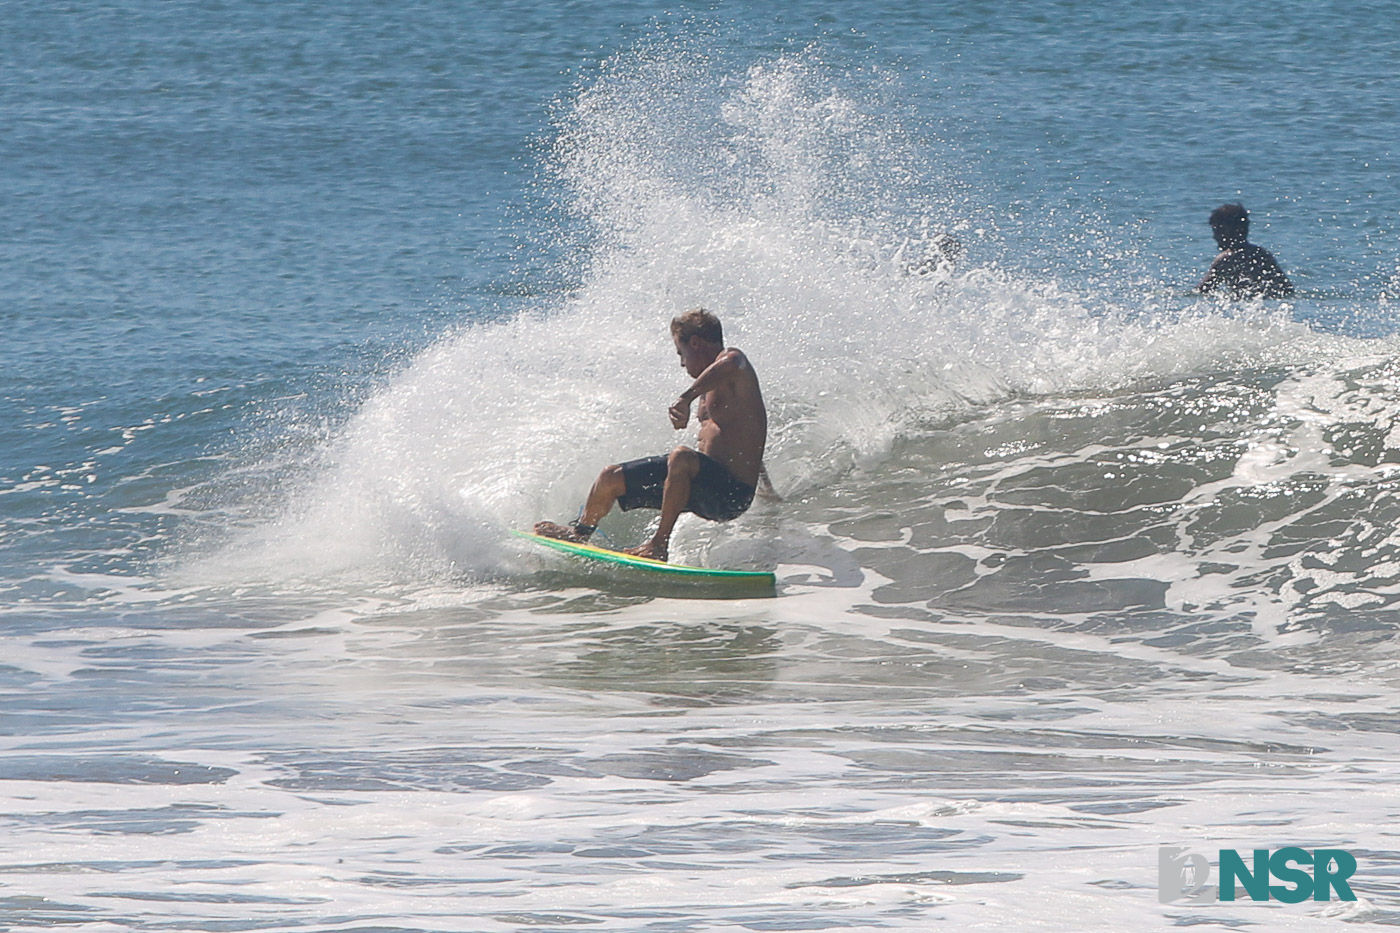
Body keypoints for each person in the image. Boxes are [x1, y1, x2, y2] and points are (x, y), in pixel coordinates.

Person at [534, 308, 767, 562]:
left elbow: (733, 363)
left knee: (681, 455)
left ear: (696, 343)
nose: (681, 363)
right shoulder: (712, 386)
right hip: (702, 486)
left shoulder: (733, 363)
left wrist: (685, 398)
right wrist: (768, 488)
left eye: (681, 353)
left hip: (731, 495)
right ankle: (580, 532)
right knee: (610, 476)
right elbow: (740, 438)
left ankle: (658, 544)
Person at [1199, 203, 1294, 299]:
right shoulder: (1262, 254)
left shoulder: (1225, 259)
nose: (1214, 237)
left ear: (1227, 230)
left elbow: (1202, 291)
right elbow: (1287, 290)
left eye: (1217, 231)